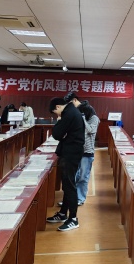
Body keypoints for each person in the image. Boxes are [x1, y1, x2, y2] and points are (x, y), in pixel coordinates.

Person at [46, 96, 84, 232]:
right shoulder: (71, 111)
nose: (57, 115)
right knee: (67, 184)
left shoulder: (68, 113)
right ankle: (63, 213)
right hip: (71, 151)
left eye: (55, 113)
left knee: (69, 184)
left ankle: (73, 219)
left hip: (71, 153)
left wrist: (59, 121)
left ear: (58, 107)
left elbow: (56, 134)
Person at [75, 100, 99, 205]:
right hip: (77, 151)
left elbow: (90, 130)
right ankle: (71, 199)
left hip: (87, 152)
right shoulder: (81, 119)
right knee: (74, 176)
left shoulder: (94, 119)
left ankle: (80, 199)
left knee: (83, 177)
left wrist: (83, 119)